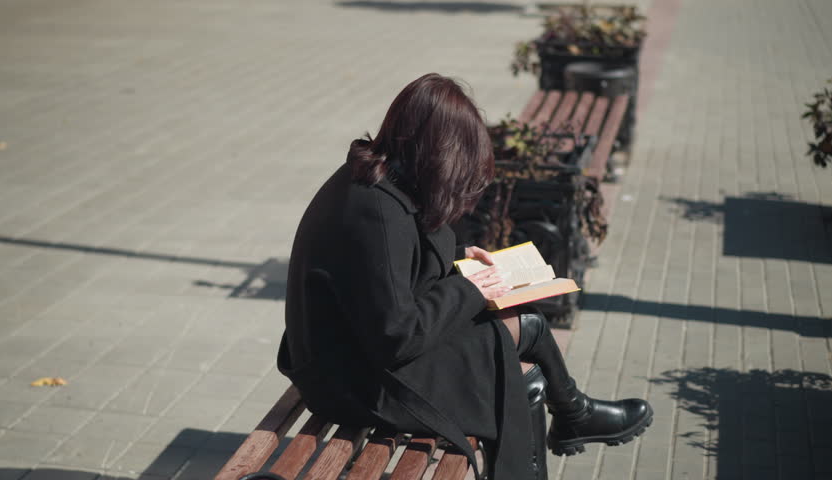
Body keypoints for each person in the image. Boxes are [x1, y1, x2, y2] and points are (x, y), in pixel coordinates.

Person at [277, 73, 652, 480]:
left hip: (357, 356)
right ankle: (560, 432)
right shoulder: (376, 212)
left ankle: (575, 413)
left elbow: (387, 276)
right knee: (519, 377)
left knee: (527, 324)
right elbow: (395, 337)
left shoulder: (378, 180)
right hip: (354, 382)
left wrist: (458, 261)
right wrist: (467, 288)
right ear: (437, 155)